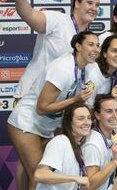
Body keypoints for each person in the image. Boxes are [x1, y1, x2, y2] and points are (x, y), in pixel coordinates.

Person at [7, 31, 99, 190]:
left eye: (97, 45)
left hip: (47, 126)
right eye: (90, 45)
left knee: (26, 167)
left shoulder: (85, 69)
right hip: (27, 122)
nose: (96, 49)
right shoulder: (63, 68)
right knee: (38, 177)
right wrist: (75, 100)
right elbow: (42, 108)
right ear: (78, 46)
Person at [13, 0, 100, 100]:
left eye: (97, 5)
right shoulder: (58, 19)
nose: (94, 8)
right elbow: (29, 15)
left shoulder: (89, 38)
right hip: (33, 95)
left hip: (57, 101)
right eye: (89, 3)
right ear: (77, 4)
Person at [34, 102, 91, 190]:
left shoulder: (77, 146)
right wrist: (74, 178)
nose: (87, 122)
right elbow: (39, 174)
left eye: (89, 118)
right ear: (69, 122)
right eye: (81, 119)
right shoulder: (60, 141)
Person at [84, 34, 117, 107]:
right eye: (114, 51)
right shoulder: (92, 74)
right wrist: (110, 99)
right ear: (104, 53)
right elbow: (87, 112)